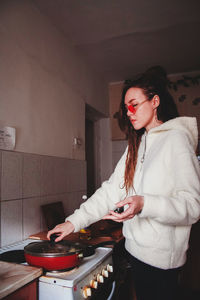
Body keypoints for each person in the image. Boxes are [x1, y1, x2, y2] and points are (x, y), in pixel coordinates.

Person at [47, 66, 200, 300]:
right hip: (134, 252)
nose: (129, 112)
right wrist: (72, 223)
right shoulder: (135, 146)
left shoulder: (176, 140)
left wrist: (143, 204)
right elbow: (111, 189)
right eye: (126, 107)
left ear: (155, 101)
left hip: (162, 263)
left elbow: (192, 206)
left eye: (134, 104)